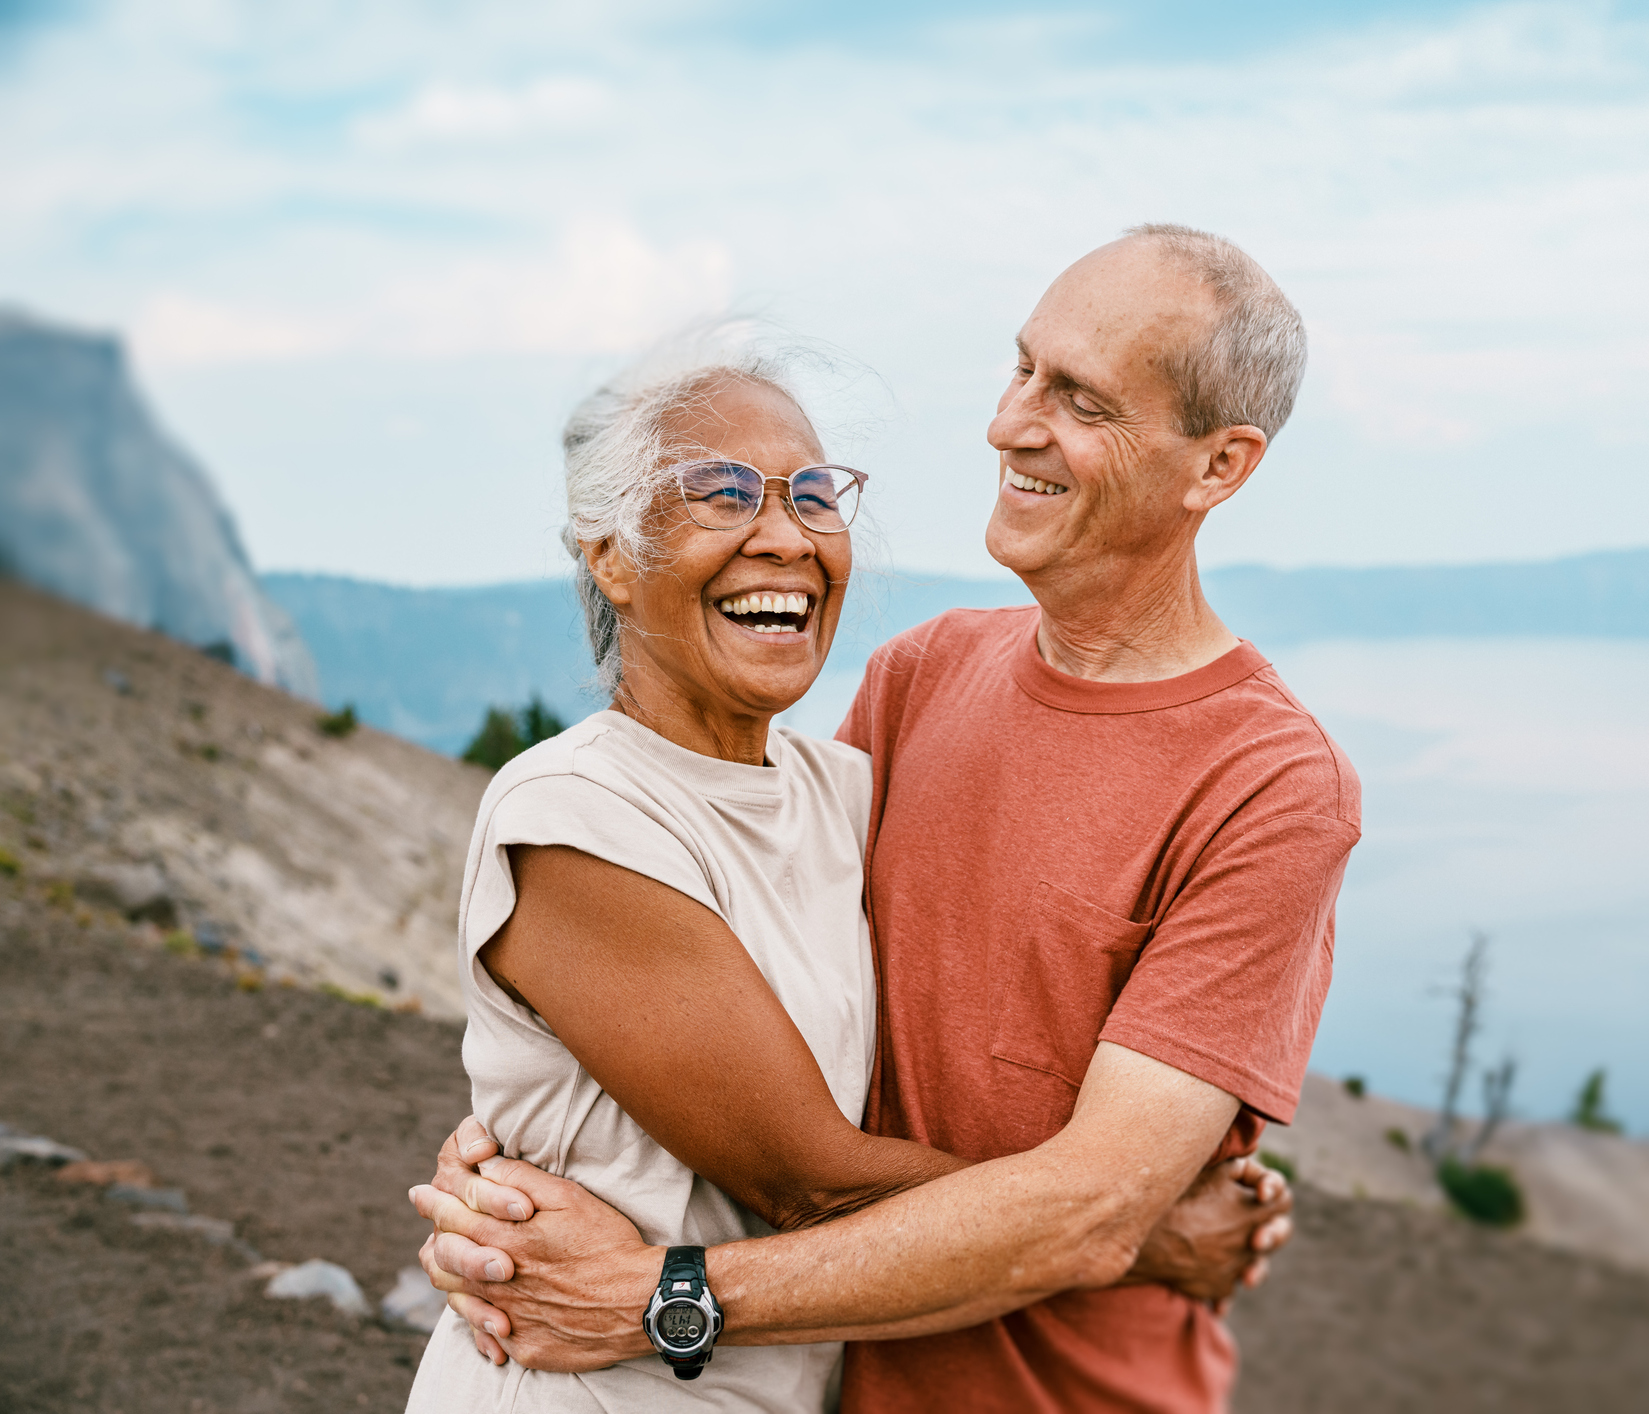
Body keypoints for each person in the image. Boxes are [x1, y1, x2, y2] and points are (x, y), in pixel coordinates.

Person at [415, 224, 1361, 1413]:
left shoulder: (1268, 781)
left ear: (1217, 467)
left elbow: (1079, 1205)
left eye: (1080, 398)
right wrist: (508, 1157)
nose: (1011, 422)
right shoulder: (920, 681)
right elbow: (786, 1129)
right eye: (1023, 368)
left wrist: (1116, 1214)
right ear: (608, 553)